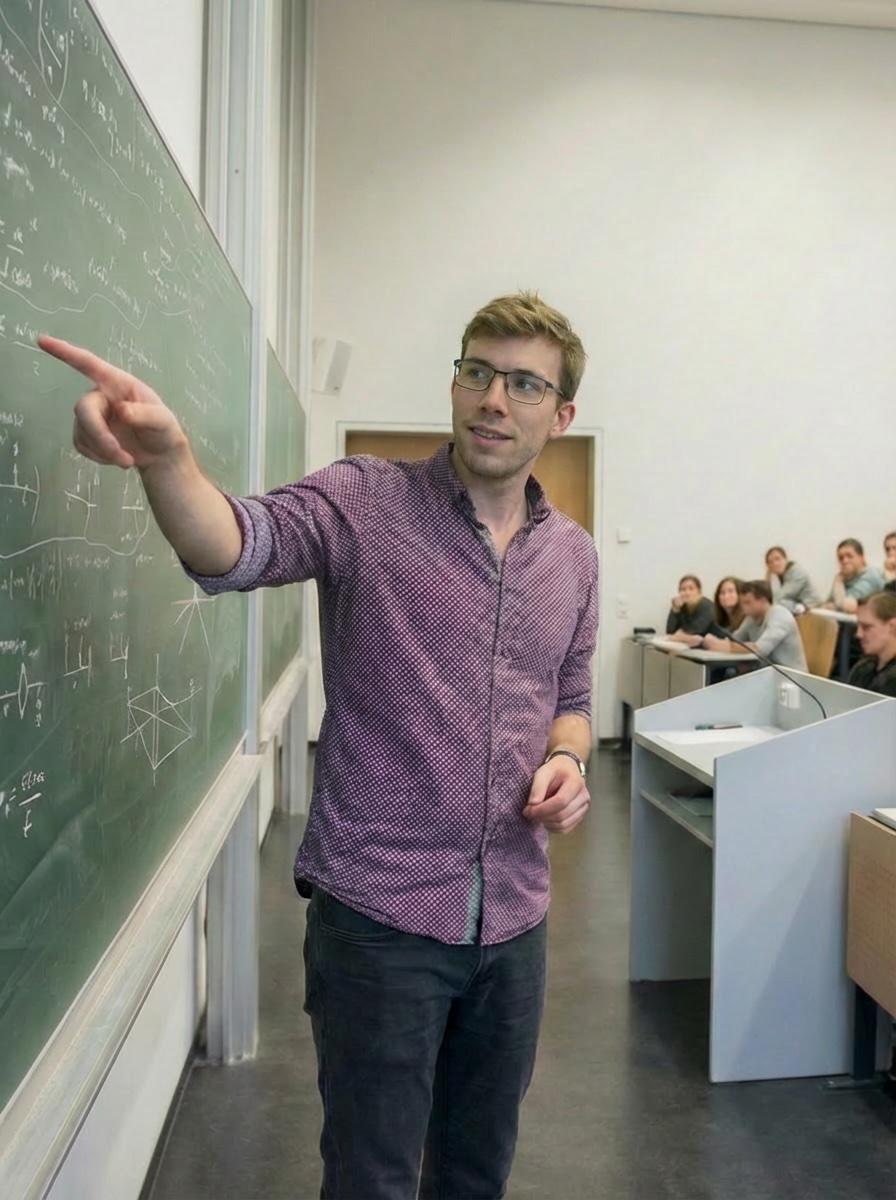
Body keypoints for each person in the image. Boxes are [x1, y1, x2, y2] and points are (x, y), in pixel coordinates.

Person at [39, 291, 599, 1200]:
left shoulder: (573, 557)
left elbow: (570, 695)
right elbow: (237, 545)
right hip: (379, 919)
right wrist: (168, 461)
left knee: (476, 1174)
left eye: (525, 384)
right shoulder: (366, 501)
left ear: (560, 414)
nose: (495, 399)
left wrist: (568, 758)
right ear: (456, 383)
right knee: (371, 1179)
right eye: (478, 372)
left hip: (514, 924)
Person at [702, 580, 808, 670]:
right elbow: (735, 639)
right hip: (767, 676)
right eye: (742, 602)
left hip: (791, 679)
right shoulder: (751, 618)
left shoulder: (780, 616)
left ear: (763, 601)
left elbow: (759, 651)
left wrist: (724, 646)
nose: (742, 607)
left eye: (747, 602)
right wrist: (724, 644)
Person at [848, 591, 896, 698]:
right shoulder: (863, 668)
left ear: (891, 626)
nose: (858, 634)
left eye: (866, 627)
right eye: (858, 626)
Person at [821, 538, 884, 614]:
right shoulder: (845, 577)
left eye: (849, 556)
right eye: (841, 558)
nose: (845, 561)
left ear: (862, 557)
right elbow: (826, 604)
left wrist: (838, 582)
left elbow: (845, 606)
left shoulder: (871, 577)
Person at [764, 546, 820, 613]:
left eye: (778, 559)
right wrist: (768, 577)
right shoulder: (780, 577)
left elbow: (780, 598)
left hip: (813, 608)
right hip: (799, 607)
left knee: (779, 605)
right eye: (770, 562)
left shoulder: (797, 572)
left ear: (786, 559)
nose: (775, 564)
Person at [665, 574, 714, 641]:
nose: (687, 593)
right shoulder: (680, 605)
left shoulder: (707, 606)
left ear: (699, 591)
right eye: (683, 589)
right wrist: (675, 609)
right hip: (690, 644)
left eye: (691, 589)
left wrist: (679, 635)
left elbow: (694, 631)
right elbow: (670, 632)